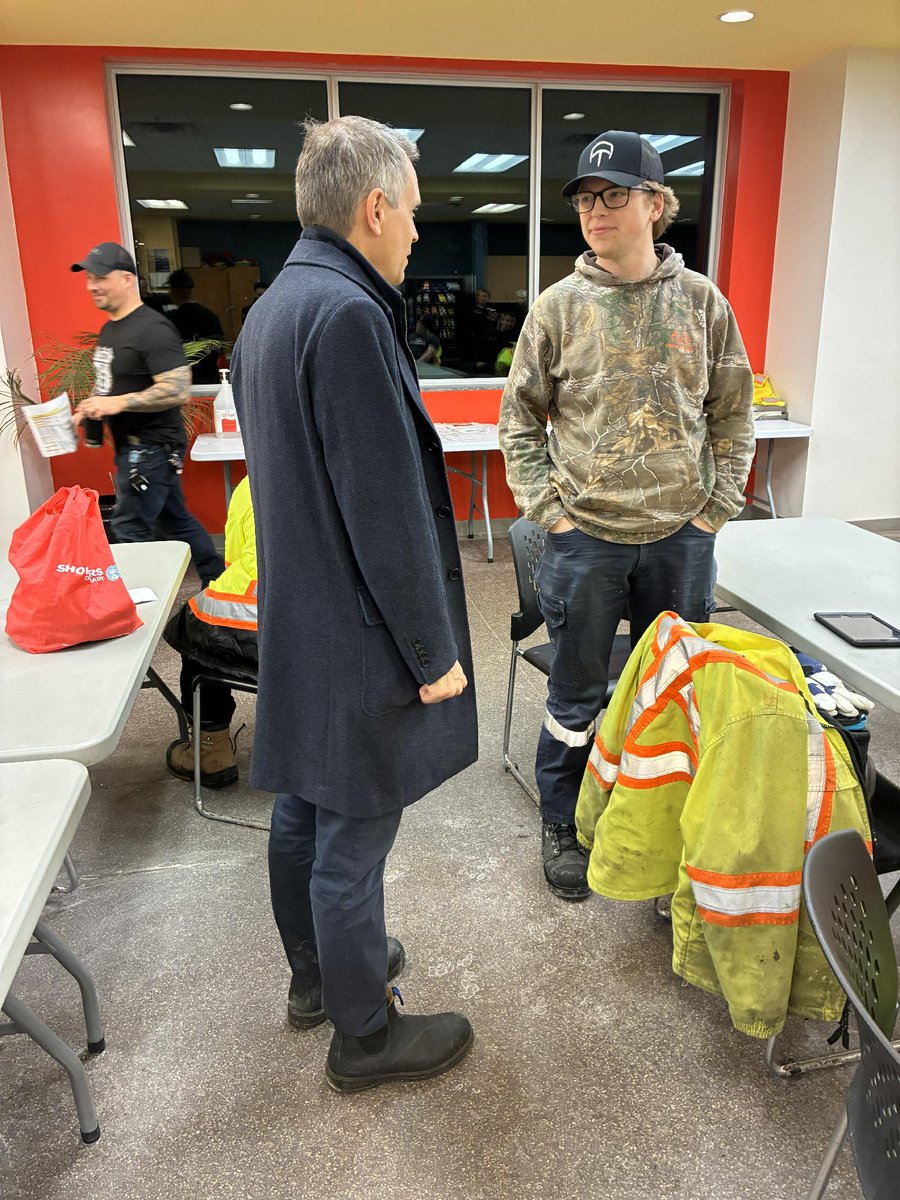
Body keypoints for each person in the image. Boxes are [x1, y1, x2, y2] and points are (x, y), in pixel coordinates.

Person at [231, 116, 478, 1092]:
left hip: (303, 617)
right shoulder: (348, 317)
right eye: (412, 214)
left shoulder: (271, 310)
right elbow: (383, 509)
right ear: (374, 209)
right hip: (362, 630)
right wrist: (432, 654)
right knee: (354, 835)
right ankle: (365, 1036)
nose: (417, 233)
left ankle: (317, 980)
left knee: (303, 808)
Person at [498, 129, 754, 903]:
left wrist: (715, 511)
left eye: (613, 195)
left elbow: (732, 416)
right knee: (577, 695)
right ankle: (564, 822)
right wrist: (553, 516)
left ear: (655, 204)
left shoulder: (704, 302)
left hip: (683, 537)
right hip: (585, 542)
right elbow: (519, 422)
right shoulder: (559, 308)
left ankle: (658, 815)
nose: (594, 210)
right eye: (584, 198)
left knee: (676, 689)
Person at [72, 243, 224, 587]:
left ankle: (139, 602)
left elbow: (177, 388)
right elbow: (112, 384)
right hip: (134, 446)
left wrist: (119, 403)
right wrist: (91, 406)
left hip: (151, 447)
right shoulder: (112, 328)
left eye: (101, 277)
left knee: (129, 529)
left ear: (127, 279)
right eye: (89, 278)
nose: (92, 285)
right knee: (176, 520)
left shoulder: (152, 328)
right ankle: (215, 580)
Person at [163, 474, 257, 789]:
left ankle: (210, 752)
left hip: (254, 624)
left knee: (193, 632)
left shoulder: (254, 480)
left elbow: (232, 560)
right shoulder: (355, 475)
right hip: (328, 635)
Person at [166, 268, 224, 384]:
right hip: (211, 379)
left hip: (185, 382)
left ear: (174, 291)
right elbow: (219, 348)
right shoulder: (210, 315)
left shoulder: (174, 319)